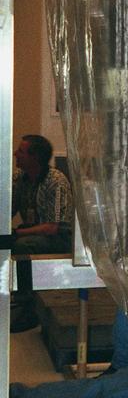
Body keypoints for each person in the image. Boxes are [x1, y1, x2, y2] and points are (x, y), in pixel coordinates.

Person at [10, 134, 73, 332]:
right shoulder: (20, 178)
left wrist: (18, 233)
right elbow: (7, 209)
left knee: (22, 245)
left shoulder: (56, 181)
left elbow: (54, 227)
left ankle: (28, 307)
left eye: (21, 151)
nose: (15, 154)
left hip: (60, 239)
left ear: (34, 157)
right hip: (33, 234)